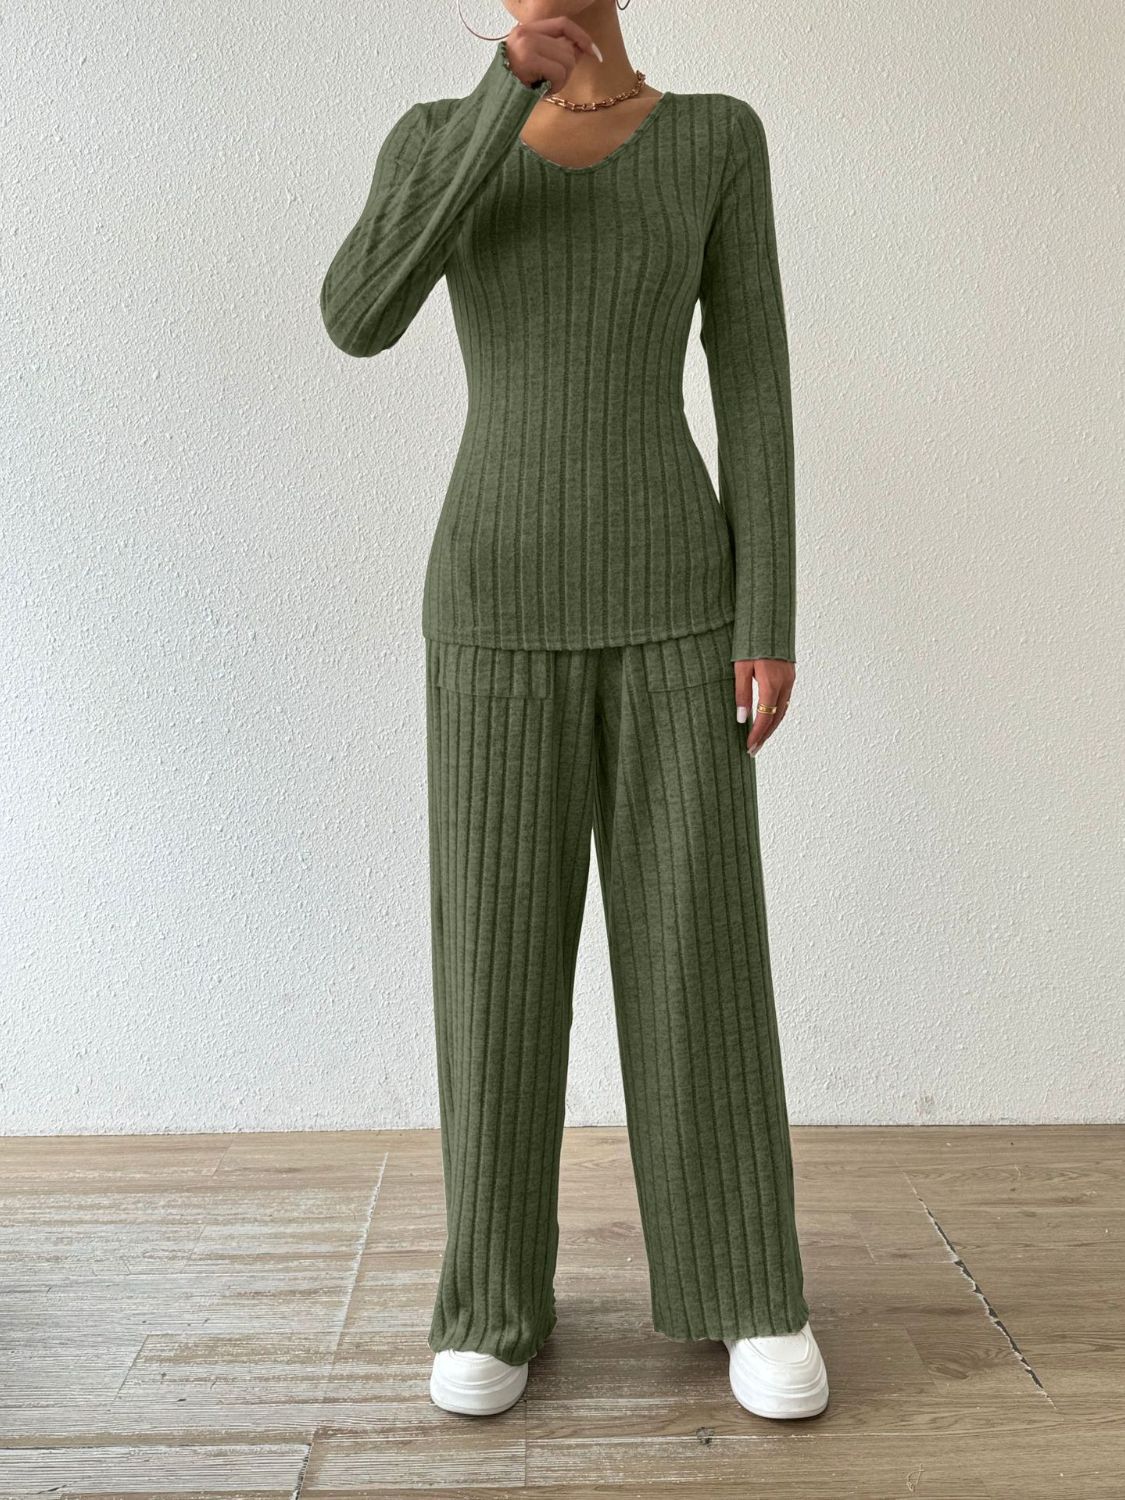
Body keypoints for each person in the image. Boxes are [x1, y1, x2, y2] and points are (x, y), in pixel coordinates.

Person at [318, 0, 829, 1422]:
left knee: (698, 954)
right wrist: (502, 94)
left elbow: (754, 375)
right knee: (493, 967)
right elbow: (357, 314)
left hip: (681, 604)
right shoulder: (440, 136)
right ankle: (490, 1300)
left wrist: (770, 611)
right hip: (491, 605)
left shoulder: (716, 138)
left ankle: (747, 1288)